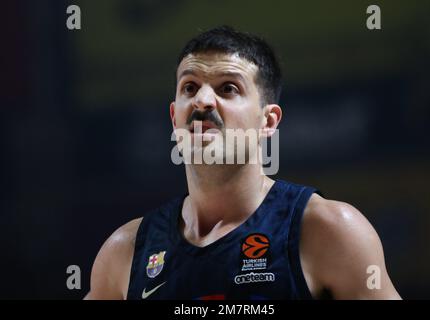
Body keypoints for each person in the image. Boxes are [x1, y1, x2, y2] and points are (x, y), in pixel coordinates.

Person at [84, 26, 401, 300]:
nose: (203, 101)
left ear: (268, 121)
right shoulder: (125, 251)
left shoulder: (329, 231)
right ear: (173, 117)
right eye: (190, 87)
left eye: (228, 88)